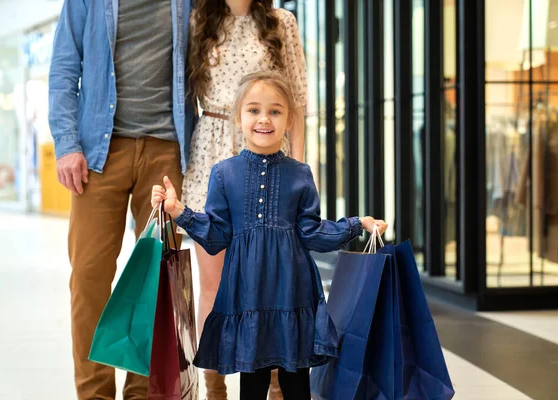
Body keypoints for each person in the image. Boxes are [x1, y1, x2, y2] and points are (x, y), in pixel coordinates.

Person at [151, 72, 388, 400]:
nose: (264, 119)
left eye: (275, 111)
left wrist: (356, 224)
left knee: (295, 381)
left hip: (293, 293)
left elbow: (312, 233)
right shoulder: (224, 173)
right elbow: (218, 234)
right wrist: (180, 212)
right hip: (248, 295)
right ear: (238, 117)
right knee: (252, 382)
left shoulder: (300, 174)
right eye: (253, 110)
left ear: (289, 119)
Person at [48, 0, 195, 399]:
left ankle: (142, 392)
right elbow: (64, 67)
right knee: (89, 276)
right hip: (98, 152)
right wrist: (66, 144)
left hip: (165, 149)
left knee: (156, 276)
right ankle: (95, 393)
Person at [182, 1, 308, 396]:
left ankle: (275, 381)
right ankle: (215, 386)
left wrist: (300, 169)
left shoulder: (281, 22)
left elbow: (299, 104)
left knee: (273, 282)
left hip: (271, 155)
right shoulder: (198, 18)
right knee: (213, 286)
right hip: (212, 151)